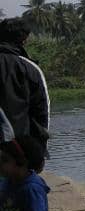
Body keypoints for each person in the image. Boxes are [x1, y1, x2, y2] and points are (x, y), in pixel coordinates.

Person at [0, 19, 50, 164]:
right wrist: (39, 155)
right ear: (23, 39)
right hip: (18, 154)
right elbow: (41, 115)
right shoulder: (29, 68)